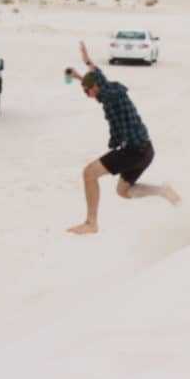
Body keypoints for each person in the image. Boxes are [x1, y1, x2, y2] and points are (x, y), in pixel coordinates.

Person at [64, 41, 180, 235]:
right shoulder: (109, 88)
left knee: (89, 173)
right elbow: (97, 76)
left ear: (95, 88)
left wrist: (83, 75)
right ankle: (163, 191)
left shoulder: (109, 96)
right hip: (146, 150)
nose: (87, 95)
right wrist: (83, 67)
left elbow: (99, 87)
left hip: (133, 151)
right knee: (123, 191)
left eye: (87, 92)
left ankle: (91, 223)